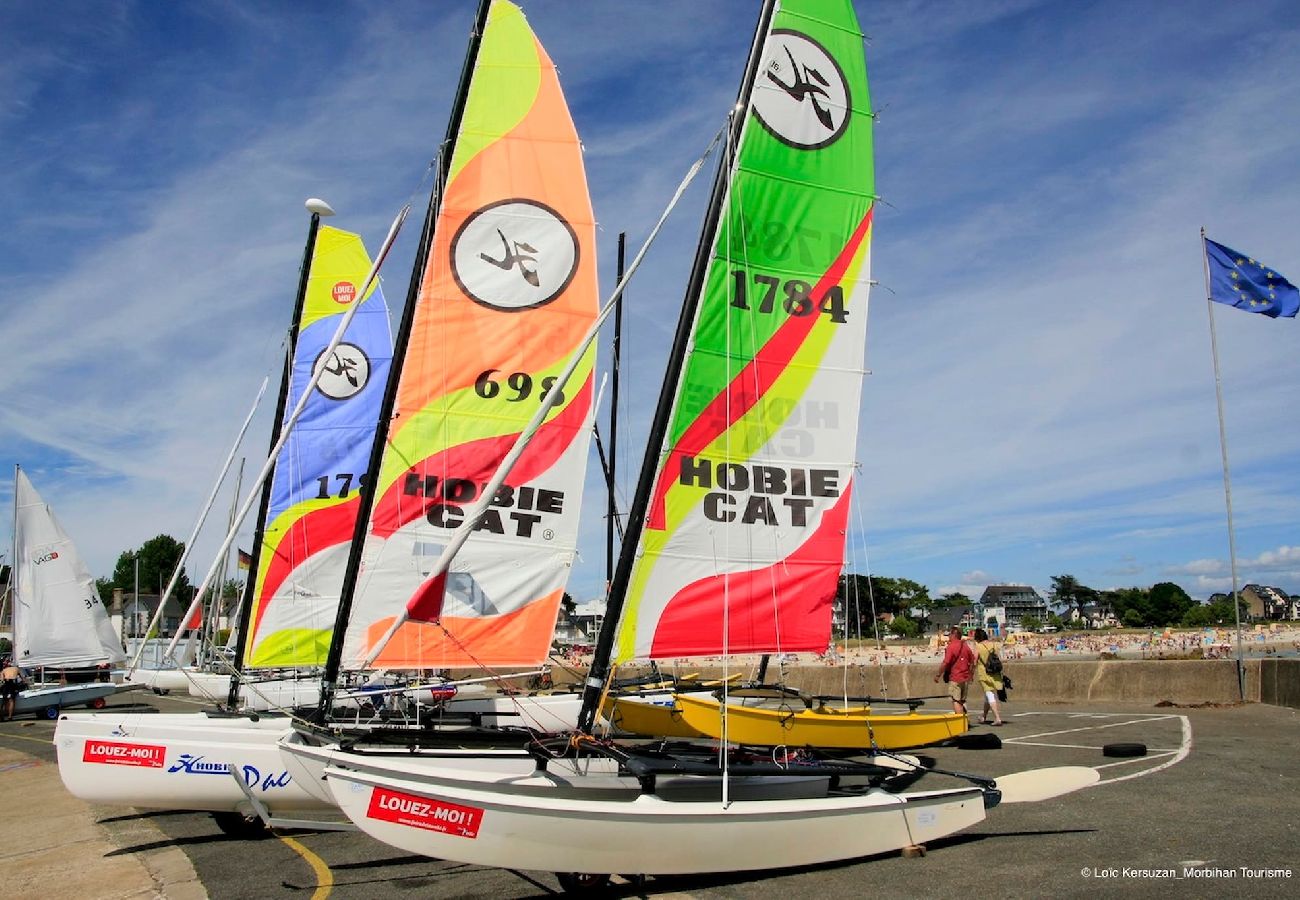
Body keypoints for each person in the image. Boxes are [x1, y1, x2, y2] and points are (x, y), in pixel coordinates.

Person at [933, 626, 975, 717]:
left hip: (956, 677)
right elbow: (972, 661)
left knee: (956, 700)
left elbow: (946, 662)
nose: (948, 637)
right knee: (963, 700)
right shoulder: (965, 646)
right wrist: (971, 675)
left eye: (950, 635)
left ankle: (960, 721)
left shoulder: (951, 647)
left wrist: (938, 675)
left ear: (953, 635)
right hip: (965, 677)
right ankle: (965, 720)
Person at [971, 628, 1005, 725]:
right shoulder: (994, 644)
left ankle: (997, 718)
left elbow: (974, 661)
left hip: (984, 673)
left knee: (989, 694)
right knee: (988, 695)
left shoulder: (978, 646)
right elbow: (1000, 657)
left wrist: (971, 673)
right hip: (995, 673)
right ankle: (983, 717)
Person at [2, 657, 23, 722]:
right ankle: (10, 717)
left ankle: (2, 717)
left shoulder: (3, 670)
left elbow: (2, 680)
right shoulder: (16, 669)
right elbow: (23, 677)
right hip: (12, 685)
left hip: (6, 686)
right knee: (11, 701)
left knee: (5, 701)